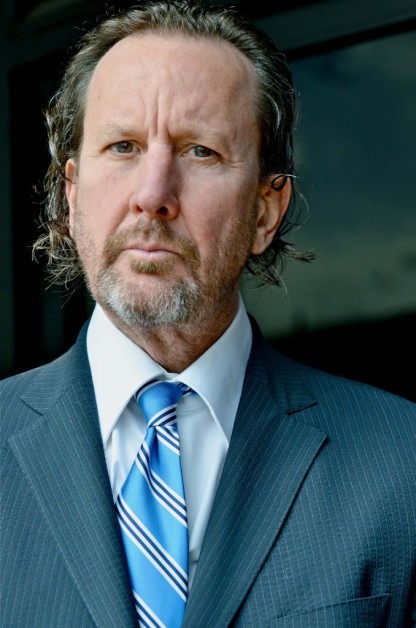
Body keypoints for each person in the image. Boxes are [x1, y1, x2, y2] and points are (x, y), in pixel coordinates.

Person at [1, 1, 415, 626]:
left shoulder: (402, 460)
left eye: (200, 151)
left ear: (265, 211)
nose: (152, 194)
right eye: (122, 146)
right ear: (73, 194)